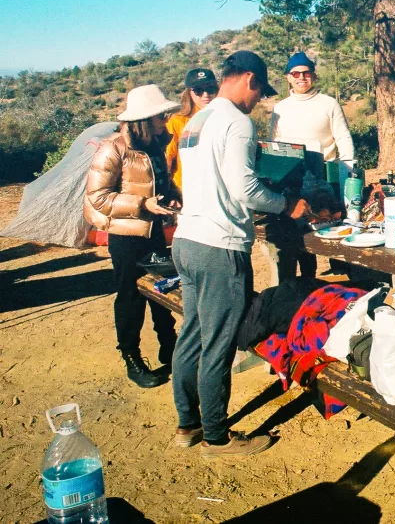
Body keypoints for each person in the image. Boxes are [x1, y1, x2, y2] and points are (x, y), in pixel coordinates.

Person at [171, 50, 311, 458]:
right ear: (248, 79)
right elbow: (243, 188)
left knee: (193, 335)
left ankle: (188, 424)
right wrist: (287, 205)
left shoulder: (196, 120)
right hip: (218, 246)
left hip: (187, 240)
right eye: (259, 92)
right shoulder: (236, 121)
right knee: (219, 342)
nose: (258, 101)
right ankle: (215, 436)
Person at [84, 84, 181, 389]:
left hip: (153, 232)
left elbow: (159, 186)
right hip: (126, 237)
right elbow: (98, 196)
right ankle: (131, 357)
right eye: (159, 115)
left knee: (162, 290)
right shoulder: (113, 150)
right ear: (144, 119)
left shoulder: (153, 147)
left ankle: (170, 346)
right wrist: (142, 205)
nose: (165, 119)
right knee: (130, 296)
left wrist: (172, 197)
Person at [269, 51, 355, 278]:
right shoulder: (280, 108)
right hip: (290, 180)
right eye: (295, 73)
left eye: (306, 73)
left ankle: (339, 276)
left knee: (328, 228)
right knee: (295, 235)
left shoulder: (329, 103)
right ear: (288, 77)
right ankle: (297, 283)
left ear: (313, 76)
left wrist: (347, 173)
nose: (301, 77)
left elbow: (344, 138)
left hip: (324, 176)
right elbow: (273, 144)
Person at [165, 67, 218, 197]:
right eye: (199, 90)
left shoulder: (223, 117)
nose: (206, 95)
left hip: (215, 189)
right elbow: (167, 159)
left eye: (210, 89)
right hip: (185, 191)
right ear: (189, 92)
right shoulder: (177, 121)